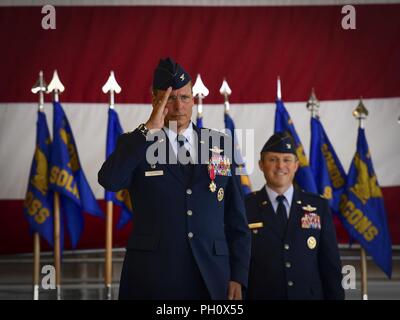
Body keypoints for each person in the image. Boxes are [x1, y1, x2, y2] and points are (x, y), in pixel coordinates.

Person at [98, 57, 251, 300]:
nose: (179, 107)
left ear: (193, 100)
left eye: (184, 97)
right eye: (170, 98)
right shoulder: (136, 142)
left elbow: (236, 219)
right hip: (153, 276)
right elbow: (110, 180)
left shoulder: (221, 144)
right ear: (155, 101)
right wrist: (148, 130)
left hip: (212, 276)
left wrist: (239, 275)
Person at [245, 132, 344, 300]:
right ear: (261, 165)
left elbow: (331, 267)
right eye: (273, 159)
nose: (280, 166)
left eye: (286, 160)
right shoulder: (245, 207)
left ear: (296, 165)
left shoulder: (318, 206)